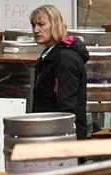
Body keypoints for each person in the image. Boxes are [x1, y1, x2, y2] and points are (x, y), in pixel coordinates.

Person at [30, 5, 90, 141]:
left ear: (55, 25)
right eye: (33, 25)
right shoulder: (50, 53)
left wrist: (60, 141)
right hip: (48, 132)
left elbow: (66, 107)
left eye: (41, 24)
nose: (36, 30)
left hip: (61, 138)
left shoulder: (65, 58)